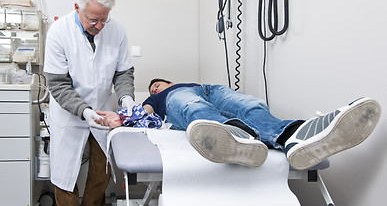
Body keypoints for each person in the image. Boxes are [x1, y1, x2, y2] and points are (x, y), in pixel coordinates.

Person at [97, 79, 381, 171]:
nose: (157, 88)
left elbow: (245, 104)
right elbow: (141, 114)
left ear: (169, 80)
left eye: (159, 84)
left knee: (251, 106)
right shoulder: (163, 98)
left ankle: (294, 136)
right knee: (195, 108)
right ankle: (232, 135)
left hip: (212, 89)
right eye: (154, 88)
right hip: (187, 101)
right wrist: (120, 118)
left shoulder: (191, 82)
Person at [43, 0, 136, 206]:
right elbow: (58, 84)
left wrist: (127, 100)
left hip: (104, 112)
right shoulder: (58, 32)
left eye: (105, 19)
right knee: (65, 178)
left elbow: (123, 72)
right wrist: (84, 111)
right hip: (69, 114)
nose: (100, 26)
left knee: (100, 173)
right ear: (77, 8)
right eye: (93, 20)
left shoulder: (117, 30)